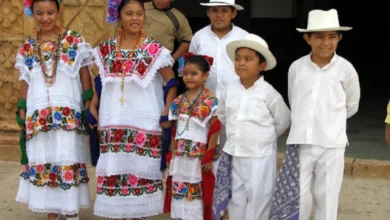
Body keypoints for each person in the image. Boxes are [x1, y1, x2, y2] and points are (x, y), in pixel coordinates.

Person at [269, 9, 361, 220]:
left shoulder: (346, 70)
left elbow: (352, 106)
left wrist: (329, 120)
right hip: (301, 141)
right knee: (299, 197)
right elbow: (295, 100)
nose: (325, 42)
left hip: (332, 143)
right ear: (307, 38)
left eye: (331, 37)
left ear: (339, 38)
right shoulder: (297, 67)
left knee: (327, 196)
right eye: (319, 36)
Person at [90, 0, 178, 219]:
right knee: (116, 174)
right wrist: (92, 105)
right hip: (113, 122)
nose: (135, 18)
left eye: (139, 13)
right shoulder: (106, 49)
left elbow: (171, 82)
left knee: (140, 176)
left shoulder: (155, 50)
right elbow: (99, 83)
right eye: (129, 13)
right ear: (118, 16)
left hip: (145, 123)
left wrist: (167, 109)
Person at [15, 0, 93, 220]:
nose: (45, 18)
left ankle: (70, 209)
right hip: (39, 111)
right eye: (39, 13)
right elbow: (25, 80)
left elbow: (85, 73)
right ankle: (51, 208)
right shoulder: (28, 47)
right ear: (33, 13)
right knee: (45, 157)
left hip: (67, 110)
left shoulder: (74, 41)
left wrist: (88, 103)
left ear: (58, 12)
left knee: (67, 157)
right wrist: (22, 108)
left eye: (50, 12)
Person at [214, 33, 291, 220]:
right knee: (237, 197)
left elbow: (283, 120)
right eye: (238, 58)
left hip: (259, 155)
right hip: (235, 152)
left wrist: (263, 137)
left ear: (262, 66)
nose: (241, 63)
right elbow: (223, 114)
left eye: (248, 59)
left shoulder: (268, 93)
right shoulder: (229, 90)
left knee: (259, 198)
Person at [163, 53, 221, 220]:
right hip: (182, 157)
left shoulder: (210, 100)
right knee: (181, 194)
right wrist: (172, 154)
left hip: (200, 158)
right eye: (185, 73)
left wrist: (209, 156)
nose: (188, 77)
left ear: (205, 76)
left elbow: (215, 128)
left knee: (201, 196)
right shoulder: (177, 101)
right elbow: (175, 132)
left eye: (194, 73)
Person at [189, 0, 247, 98]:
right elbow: (190, 66)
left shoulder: (243, 37)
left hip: (236, 98)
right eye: (215, 10)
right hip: (205, 99)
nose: (219, 15)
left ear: (233, 13)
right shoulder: (199, 37)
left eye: (224, 11)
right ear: (208, 12)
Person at [144, 0, 193, 94]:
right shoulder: (141, 8)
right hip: (133, 61)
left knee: (156, 95)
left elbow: (187, 41)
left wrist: (171, 60)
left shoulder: (178, 17)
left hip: (160, 67)